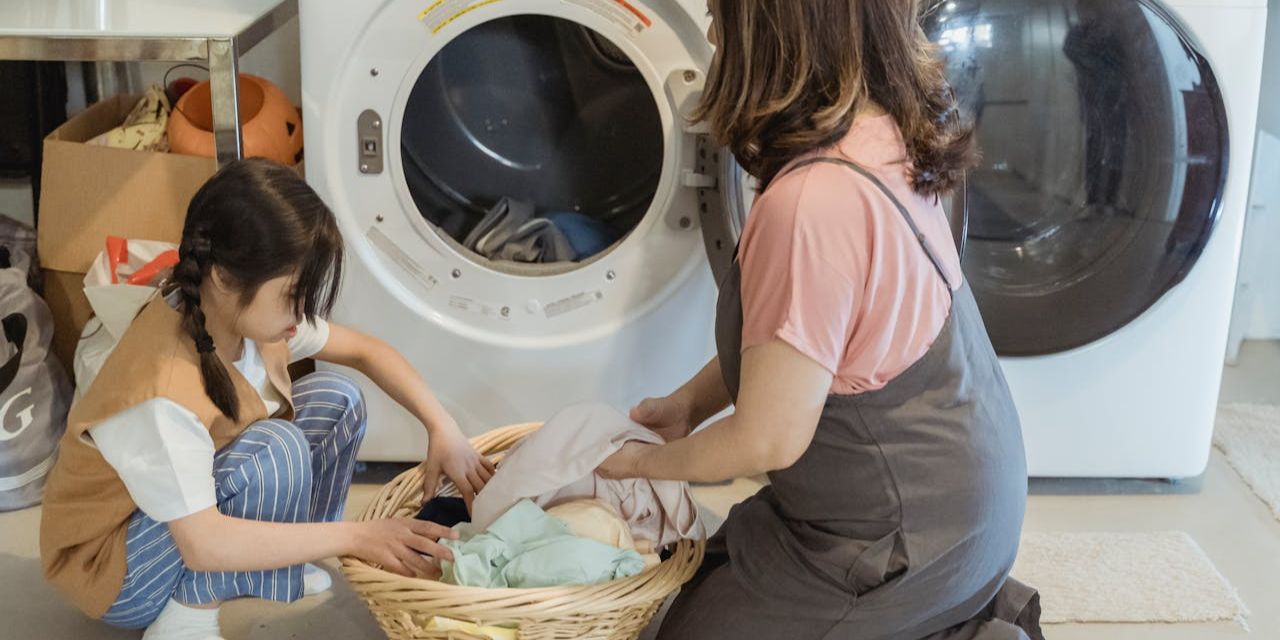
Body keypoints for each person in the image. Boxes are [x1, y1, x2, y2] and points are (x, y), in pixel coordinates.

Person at [598, 2, 1042, 637]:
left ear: (774, 32)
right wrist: (688, 406)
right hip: (967, 502)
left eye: (722, 16)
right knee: (704, 575)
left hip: (907, 542)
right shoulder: (885, 133)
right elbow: (810, 341)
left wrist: (635, 465)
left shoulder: (810, 205)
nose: (715, 32)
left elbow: (766, 441)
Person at [39, 158, 494, 640]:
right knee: (276, 448)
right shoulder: (159, 387)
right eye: (294, 294)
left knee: (337, 397)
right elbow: (204, 544)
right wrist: (357, 535)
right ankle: (186, 612)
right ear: (223, 276)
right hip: (118, 570)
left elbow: (365, 351)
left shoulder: (238, 315)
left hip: (179, 519)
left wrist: (441, 427)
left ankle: (278, 564)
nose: (302, 314)